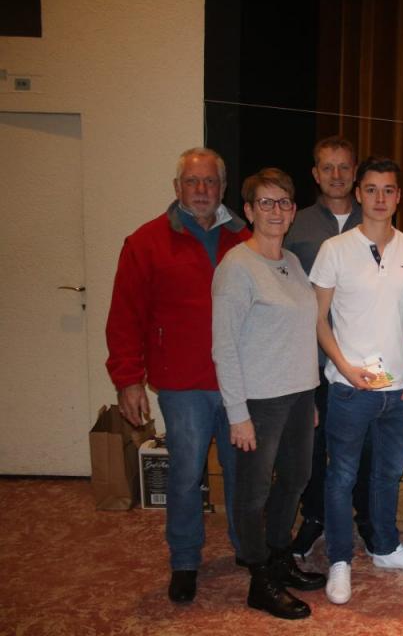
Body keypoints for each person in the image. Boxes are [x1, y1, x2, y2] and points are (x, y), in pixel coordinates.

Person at [105, 147, 249, 604]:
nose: (202, 190)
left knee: (243, 472)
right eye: (192, 181)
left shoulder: (245, 238)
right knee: (186, 474)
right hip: (182, 384)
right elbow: (125, 316)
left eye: (210, 181)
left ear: (223, 187)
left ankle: (248, 549)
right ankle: (185, 560)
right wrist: (128, 379)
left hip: (240, 381)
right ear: (177, 188)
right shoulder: (145, 242)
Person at [310, 157, 403, 605]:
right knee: (341, 476)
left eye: (389, 190)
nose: (380, 198)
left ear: (399, 197)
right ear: (358, 193)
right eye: (372, 189)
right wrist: (344, 367)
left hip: (399, 390)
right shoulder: (334, 249)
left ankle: (385, 547)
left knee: (388, 474)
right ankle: (340, 559)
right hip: (350, 388)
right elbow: (318, 318)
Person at [212, 168, 325, 620]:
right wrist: (237, 413)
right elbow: (224, 346)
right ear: (249, 210)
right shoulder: (237, 266)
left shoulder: (292, 263)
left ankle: (280, 556)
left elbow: (300, 334)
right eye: (265, 202)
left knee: (296, 479)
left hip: (298, 397)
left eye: (283, 203)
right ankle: (259, 577)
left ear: (293, 211)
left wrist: (310, 396)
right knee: (253, 491)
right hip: (259, 401)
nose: (276, 211)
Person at [283, 136, 373, 557]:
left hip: (365, 360)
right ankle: (315, 518)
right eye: (327, 167)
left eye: (344, 167)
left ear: (355, 173)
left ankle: (366, 518)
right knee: (313, 449)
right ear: (315, 174)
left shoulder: (375, 219)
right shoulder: (294, 225)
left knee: (366, 447)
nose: (336, 175)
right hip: (311, 361)